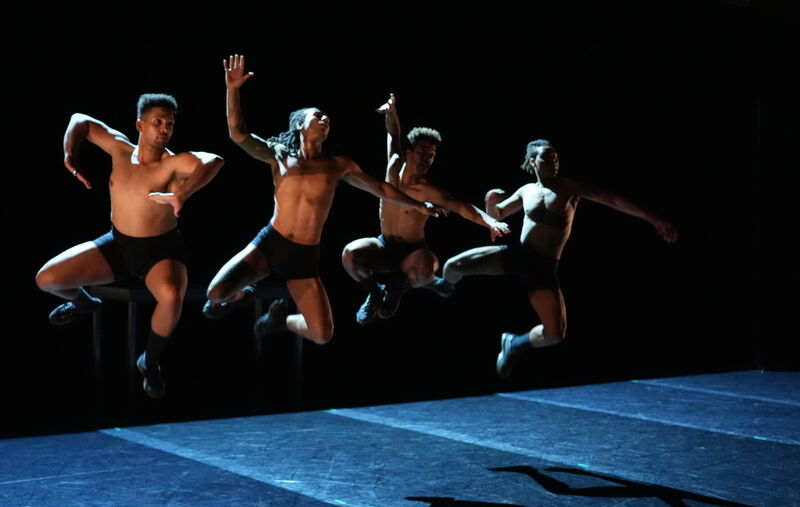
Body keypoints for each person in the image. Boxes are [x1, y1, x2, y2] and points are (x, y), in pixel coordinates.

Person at [202, 55, 444, 345]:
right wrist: (233, 89)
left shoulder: (337, 164)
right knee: (215, 294)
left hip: (303, 256)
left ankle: (282, 321)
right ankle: (242, 294)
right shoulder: (278, 155)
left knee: (322, 334)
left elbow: (380, 188)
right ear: (301, 126)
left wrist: (416, 204)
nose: (325, 120)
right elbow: (238, 133)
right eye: (318, 116)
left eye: (327, 118)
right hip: (271, 243)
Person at [433, 139, 679, 377]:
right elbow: (496, 219)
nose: (553, 161)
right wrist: (490, 201)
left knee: (554, 334)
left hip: (543, 266)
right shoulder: (526, 191)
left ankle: (515, 344)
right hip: (519, 255)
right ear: (533, 161)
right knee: (452, 266)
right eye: (547, 157)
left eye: (556, 157)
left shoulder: (569, 188)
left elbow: (612, 199)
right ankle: (442, 289)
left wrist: (654, 219)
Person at [35, 93, 224, 399]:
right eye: (157, 122)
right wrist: (69, 155)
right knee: (47, 279)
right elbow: (79, 120)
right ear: (140, 124)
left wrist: (182, 194)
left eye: (170, 124)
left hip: (160, 252)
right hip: (118, 245)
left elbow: (213, 161)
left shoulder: (174, 163)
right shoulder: (120, 149)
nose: (164, 129)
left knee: (172, 296)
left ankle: (149, 361)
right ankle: (84, 303)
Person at [341, 93, 510, 325]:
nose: (426, 160)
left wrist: (491, 222)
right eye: (422, 153)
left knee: (428, 266)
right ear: (409, 152)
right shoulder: (394, 164)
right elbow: (394, 134)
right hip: (384, 245)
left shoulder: (429, 190)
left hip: (412, 252)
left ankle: (399, 286)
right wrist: (391, 112)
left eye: (431, 156)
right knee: (350, 255)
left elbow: (463, 207)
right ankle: (375, 292)